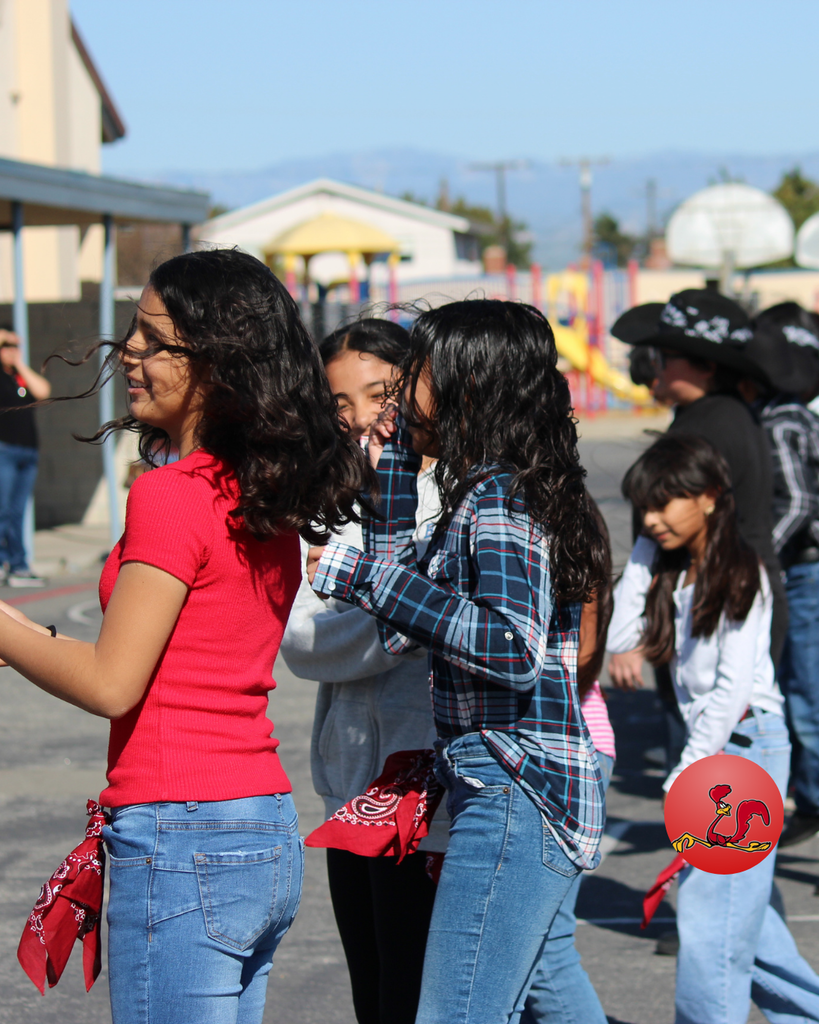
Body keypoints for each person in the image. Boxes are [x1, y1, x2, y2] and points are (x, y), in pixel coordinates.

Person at [0, 249, 373, 1024]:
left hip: (180, 832)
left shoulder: (170, 495)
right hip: (259, 824)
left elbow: (110, 682)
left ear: (220, 363)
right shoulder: (260, 492)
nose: (130, 354)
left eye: (155, 339)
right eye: (133, 333)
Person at [306, 299, 608, 1023]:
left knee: (455, 1010)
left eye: (416, 372)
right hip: (502, 784)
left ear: (470, 383)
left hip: (513, 785)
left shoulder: (498, 499)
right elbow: (399, 606)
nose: (398, 391)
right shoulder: (487, 489)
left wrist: (354, 574)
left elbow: (510, 648)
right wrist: (394, 468)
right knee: (542, 995)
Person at [608, 433, 819, 1024]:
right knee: (742, 916)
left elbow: (731, 690)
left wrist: (687, 768)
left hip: (744, 747)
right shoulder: (670, 568)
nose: (651, 518)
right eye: (643, 507)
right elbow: (623, 639)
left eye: (664, 503)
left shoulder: (741, 570)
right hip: (721, 750)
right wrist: (647, 555)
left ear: (709, 497)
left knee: (708, 919)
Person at [279, 318, 444, 1024]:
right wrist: (410, 618)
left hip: (429, 796)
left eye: (379, 393)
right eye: (338, 403)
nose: (359, 418)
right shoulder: (328, 500)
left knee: (424, 994)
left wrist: (369, 603)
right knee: (373, 996)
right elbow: (301, 641)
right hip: (349, 789)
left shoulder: (463, 499)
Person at [608, 290, 787, 791]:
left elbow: (730, 692)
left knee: (707, 744)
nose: (654, 369)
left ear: (706, 366)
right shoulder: (722, 415)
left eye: (666, 357)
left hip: (717, 593)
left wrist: (640, 620)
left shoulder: (709, 425)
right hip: (716, 586)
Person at [516, 505, 616, 1024]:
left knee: (544, 951)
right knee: (527, 951)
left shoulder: (556, 511)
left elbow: (585, 648)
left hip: (564, 745)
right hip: (559, 745)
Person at [741, 304, 819, 848]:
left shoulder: (781, 419)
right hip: (800, 570)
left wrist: (759, 552)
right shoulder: (786, 414)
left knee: (806, 695)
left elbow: (796, 500)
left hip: (804, 571)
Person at [0, 325, 51, 586]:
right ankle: (5, 562)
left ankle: (18, 564)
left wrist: (19, 362)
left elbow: (43, 391)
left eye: (14, 346)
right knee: (3, 510)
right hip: (4, 450)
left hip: (27, 452)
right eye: (5, 347)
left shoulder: (19, 377)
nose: (10, 351)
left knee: (17, 511)